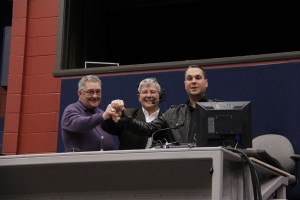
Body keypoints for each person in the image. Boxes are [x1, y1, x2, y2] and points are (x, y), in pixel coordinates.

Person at [102, 65, 215, 147]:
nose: (193, 81)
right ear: (185, 84)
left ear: (206, 82)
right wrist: (119, 117)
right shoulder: (172, 114)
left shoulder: (218, 109)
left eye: (198, 78)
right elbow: (147, 129)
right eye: (189, 78)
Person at [61, 75, 118, 152]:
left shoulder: (101, 113)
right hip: (80, 162)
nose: (95, 96)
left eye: (98, 91)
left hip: (106, 162)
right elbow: (79, 124)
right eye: (90, 92)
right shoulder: (71, 110)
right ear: (80, 93)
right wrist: (102, 116)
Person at [105, 78, 164, 150]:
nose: (148, 95)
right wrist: (111, 113)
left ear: (159, 95)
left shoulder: (166, 119)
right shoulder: (127, 114)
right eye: (145, 92)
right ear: (139, 97)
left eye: (152, 92)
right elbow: (108, 128)